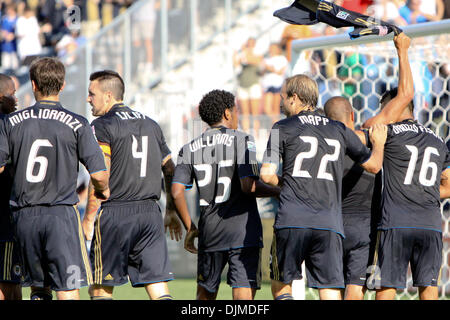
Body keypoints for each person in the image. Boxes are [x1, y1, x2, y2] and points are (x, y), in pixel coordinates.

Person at [259, 74, 387, 300]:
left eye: (282, 97)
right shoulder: (340, 129)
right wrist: (379, 145)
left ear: (294, 98)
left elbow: (266, 175)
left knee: (281, 285)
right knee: (328, 290)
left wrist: (290, 185)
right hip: (329, 223)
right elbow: (375, 166)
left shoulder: (281, 127)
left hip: (292, 219)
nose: (280, 103)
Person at [0, 57, 109, 300]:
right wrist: (103, 191)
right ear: (62, 86)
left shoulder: (11, 123)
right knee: (67, 288)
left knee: (38, 288)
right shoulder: (78, 123)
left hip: (23, 216)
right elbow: (99, 175)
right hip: (61, 216)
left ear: (34, 85)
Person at [323, 32, 413, 300]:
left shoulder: (320, 143)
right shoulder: (365, 134)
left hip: (330, 222)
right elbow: (405, 95)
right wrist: (402, 50)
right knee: (355, 287)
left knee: (330, 286)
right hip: (364, 226)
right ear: (352, 115)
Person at [82, 70, 182, 300]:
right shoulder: (151, 124)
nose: (88, 99)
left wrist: (89, 218)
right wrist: (171, 211)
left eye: (91, 94)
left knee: (100, 289)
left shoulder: (102, 125)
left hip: (116, 214)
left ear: (108, 96)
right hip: (150, 215)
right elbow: (169, 169)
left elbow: (101, 174)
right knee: (157, 286)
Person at [171, 89, 280, 300]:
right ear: (228, 113)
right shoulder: (243, 140)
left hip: (210, 231)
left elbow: (176, 192)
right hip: (243, 231)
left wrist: (190, 228)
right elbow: (249, 185)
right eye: (236, 110)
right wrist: (278, 191)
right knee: (243, 295)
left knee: (204, 295)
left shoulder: (188, 148)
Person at [367, 87, 450, 300]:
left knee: (385, 287)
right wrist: (423, 193)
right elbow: (448, 186)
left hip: (395, 222)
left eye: (383, 109)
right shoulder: (438, 141)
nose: (381, 115)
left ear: (393, 107)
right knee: (428, 290)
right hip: (430, 225)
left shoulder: (389, 134)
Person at [0, 73, 21, 300]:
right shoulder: (6, 124)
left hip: (10, 216)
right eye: (13, 94)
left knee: (11, 281)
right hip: (6, 216)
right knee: (6, 283)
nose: (16, 100)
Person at [233, 37, 263, 135]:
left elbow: (256, 61)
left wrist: (245, 54)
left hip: (253, 84)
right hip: (242, 85)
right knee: (244, 112)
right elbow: (235, 64)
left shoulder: (257, 53)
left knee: (254, 112)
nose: (249, 46)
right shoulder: (242, 54)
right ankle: (246, 134)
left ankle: (256, 134)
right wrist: (238, 54)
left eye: (251, 44)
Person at [262, 42, 289, 125]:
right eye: (270, 48)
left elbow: (281, 72)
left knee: (275, 109)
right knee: (267, 108)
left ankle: (274, 131)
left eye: (273, 48)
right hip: (268, 85)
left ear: (277, 49)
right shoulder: (266, 59)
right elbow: (261, 72)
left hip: (278, 85)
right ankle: (275, 125)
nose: (271, 50)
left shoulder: (282, 59)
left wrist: (271, 68)